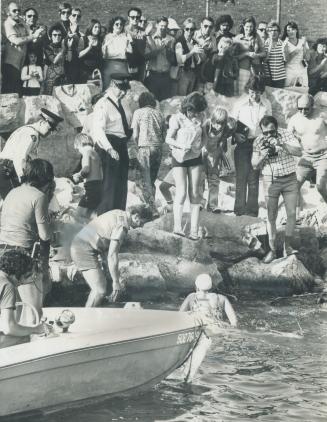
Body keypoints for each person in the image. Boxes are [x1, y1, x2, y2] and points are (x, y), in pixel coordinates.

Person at [0, 159, 55, 320]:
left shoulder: (13, 192)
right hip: (21, 255)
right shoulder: (39, 196)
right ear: (46, 178)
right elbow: (45, 235)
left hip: (2, 252)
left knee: (13, 311)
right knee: (34, 312)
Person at [70, 206, 152, 306]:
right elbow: (112, 255)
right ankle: (87, 319)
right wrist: (116, 282)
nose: (141, 227)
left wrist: (113, 275)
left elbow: (103, 238)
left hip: (84, 243)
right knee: (99, 290)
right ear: (137, 216)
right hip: (82, 248)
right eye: (142, 222)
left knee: (105, 286)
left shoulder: (119, 212)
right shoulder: (122, 226)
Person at [252, 116, 302, 263]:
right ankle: (272, 250)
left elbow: (299, 152)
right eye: (265, 132)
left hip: (289, 178)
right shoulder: (259, 141)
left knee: (292, 213)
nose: (268, 135)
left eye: (272, 132)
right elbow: (254, 165)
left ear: (277, 128)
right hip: (270, 180)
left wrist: (281, 144)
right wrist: (264, 154)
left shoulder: (286, 134)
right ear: (262, 130)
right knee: (271, 216)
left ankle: (288, 247)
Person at [179, 273, 237, 382]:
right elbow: (234, 322)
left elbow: (179, 315)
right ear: (211, 286)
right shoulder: (222, 298)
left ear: (196, 286)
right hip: (220, 329)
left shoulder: (192, 297)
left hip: (203, 329)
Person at [166, 92, 207, 240]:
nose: (194, 115)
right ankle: (177, 227)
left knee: (195, 193)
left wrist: (199, 147)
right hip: (179, 157)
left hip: (195, 157)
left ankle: (194, 230)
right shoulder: (176, 118)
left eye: (197, 112)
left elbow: (205, 136)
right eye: (192, 111)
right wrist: (181, 145)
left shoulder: (201, 117)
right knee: (181, 191)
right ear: (187, 108)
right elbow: (168, 138)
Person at [91, 73, 132, 215]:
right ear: (113, 85)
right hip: (108, 144)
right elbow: (98, 130)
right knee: (109, 185)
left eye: (125, 89)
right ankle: (105, 217)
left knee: (121, 185)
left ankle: (118, 216)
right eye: (121, 88)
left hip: (121, 144)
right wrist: (109, 148)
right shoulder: (103, 103)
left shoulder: (124, 104)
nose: (123, 92)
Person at [0, 108, 63, 199]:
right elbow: (19, 156)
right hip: (9, 171)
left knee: (9, 203)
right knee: (17, 202)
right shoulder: (32, 134)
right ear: (42, 122)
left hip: (5, 168)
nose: (50, 132)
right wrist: (23, 178)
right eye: (50, 129)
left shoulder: (25, 129)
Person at [231, 76, 272, 217]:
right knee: (241, 178)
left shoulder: (267, 104)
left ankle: (252, 212)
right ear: (248, 90)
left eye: (258, 92)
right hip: (242, 144)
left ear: (262, 92)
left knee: (253, 179)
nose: (255, 95)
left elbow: (270, 125)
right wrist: (235, 135)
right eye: (252, 92)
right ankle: (239, 210)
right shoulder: (239, 104)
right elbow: (231, 124)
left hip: (258, 144)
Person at [0, 250, 52, 349]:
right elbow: (9, 328)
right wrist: (36, 329)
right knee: (28, 338)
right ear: (18, 272)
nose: (24, 282)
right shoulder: (7, 286)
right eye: (27, 275)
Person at [288, 94, 327, 205]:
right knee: (293, 186)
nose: (303, 111)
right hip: (306, 157)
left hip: (323, 156)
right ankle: (297, 212)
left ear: (312, 105)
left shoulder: (322, 115)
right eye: (300, 108)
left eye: (306, 108)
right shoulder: (294, 119)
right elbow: (287, 137)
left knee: (321, 186)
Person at [131, 92, 166, 211]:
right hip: (158, 148)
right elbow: (164, 135)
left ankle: (148, 209)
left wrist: (138, 146)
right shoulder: (160, 114)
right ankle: (152, 206)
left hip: (144, 148)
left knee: (142, 181)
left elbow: (135, 134)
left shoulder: (138, 112)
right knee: (151, 179)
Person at [2, 2, 45, 95]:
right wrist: (34, 35)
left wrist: (38, 33)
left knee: (19, 95)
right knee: (10, 95)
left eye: (18, 10)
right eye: (14, 11)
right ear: (8, 12)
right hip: (11, 65)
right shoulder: (7, 24)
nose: (17, 12)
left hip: (19, 67)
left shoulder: (20, 23)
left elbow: (31, 37)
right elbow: (16, 41)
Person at [202, 107, 236, 213]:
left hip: (215, 154)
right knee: (200, 179)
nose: (219, 126)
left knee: (214, 180)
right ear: (212, 120)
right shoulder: (206, 125)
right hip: (202, 153)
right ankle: (199, 202)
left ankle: (212, 205)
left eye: (222, 124)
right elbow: (200, 140)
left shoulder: (225, 128)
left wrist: (217, 155)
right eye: (217, 123)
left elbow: (222, 143)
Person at [72, 133, 103, 220]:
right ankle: (92, 231)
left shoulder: (86, 152)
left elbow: (86, 170)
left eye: (78, 149)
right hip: (99, 186)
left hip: (92, 187)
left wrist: (78, 176)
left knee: (77, 215)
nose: (79, 151)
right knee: (90, 215)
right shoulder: (95, 154)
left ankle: (80, 232)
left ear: (79, 144)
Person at [145, 16, 175, 100]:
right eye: (161, 26)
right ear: (157, 25)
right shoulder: (149, 38)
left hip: (166, 76)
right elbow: (148, 56)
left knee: (166, 102)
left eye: (165, 26)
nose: (163, 28)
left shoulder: (171, 39)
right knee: (152, 101)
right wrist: (160, 49)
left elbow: (172, 60)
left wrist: (168, 49)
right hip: (153, 76)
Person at [234, 16, 266, 95]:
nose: (249, 29)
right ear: (243, 26)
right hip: (242, 70)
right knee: (242, 93)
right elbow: (233, 57)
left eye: (251, 26)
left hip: (255, 69)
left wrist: (257, 55)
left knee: (254, 91)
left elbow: (264, 53)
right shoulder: (238, 38)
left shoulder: (257, 37)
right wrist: (246, 54)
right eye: (247, 26)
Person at [175, 18, 204, 96]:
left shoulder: (194, 42)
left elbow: (198, 61)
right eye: (187, 29)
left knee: (190, 97)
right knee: (182, 97)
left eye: (192, 29)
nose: (189, 31)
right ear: (184, 29)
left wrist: (199, 54)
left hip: (193, 73)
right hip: (183, 73)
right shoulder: (179, 42)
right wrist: (192, 52)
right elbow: (179, 60)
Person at [102, 16, 130, 90]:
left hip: (123, 66)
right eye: (117, 24)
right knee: (108, 89)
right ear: (112, 25)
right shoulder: (107, 37)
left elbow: (129, 52)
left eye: (121, 24)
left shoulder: (125, 37)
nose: (119, 26)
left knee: (122, 90)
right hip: (110, 66)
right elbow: (105, 55)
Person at [282, 21, 310, 88]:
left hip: (302, 70)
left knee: (303, 90)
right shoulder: (285, 43)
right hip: (289, 70)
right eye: (288, 30)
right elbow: (287, 60)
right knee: (288, 90)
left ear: (296, 30)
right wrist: (296, 50)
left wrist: (304, 47)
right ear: (286, 32)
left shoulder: (302, 41)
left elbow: (307, 58)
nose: (291, 32)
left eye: (293, 29)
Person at [43, 25, 66, 95]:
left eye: (59, 35)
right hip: (51, 78)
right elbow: (54, 61)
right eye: (55, 35)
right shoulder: (47, 48)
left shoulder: (63, 47)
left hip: (62, 77)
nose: (57, 37)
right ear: (51, 36)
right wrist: (62, 51)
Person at [263, 20, 286, 89]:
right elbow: (264, 60)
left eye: (275, 30)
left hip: (280, 77)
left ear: (279, 32)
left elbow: (286, 60)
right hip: (268, 77)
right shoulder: (264, 44)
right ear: (268, 32)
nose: (273, 32)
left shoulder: (282, 44)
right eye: (271, 30)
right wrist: (270, 46)